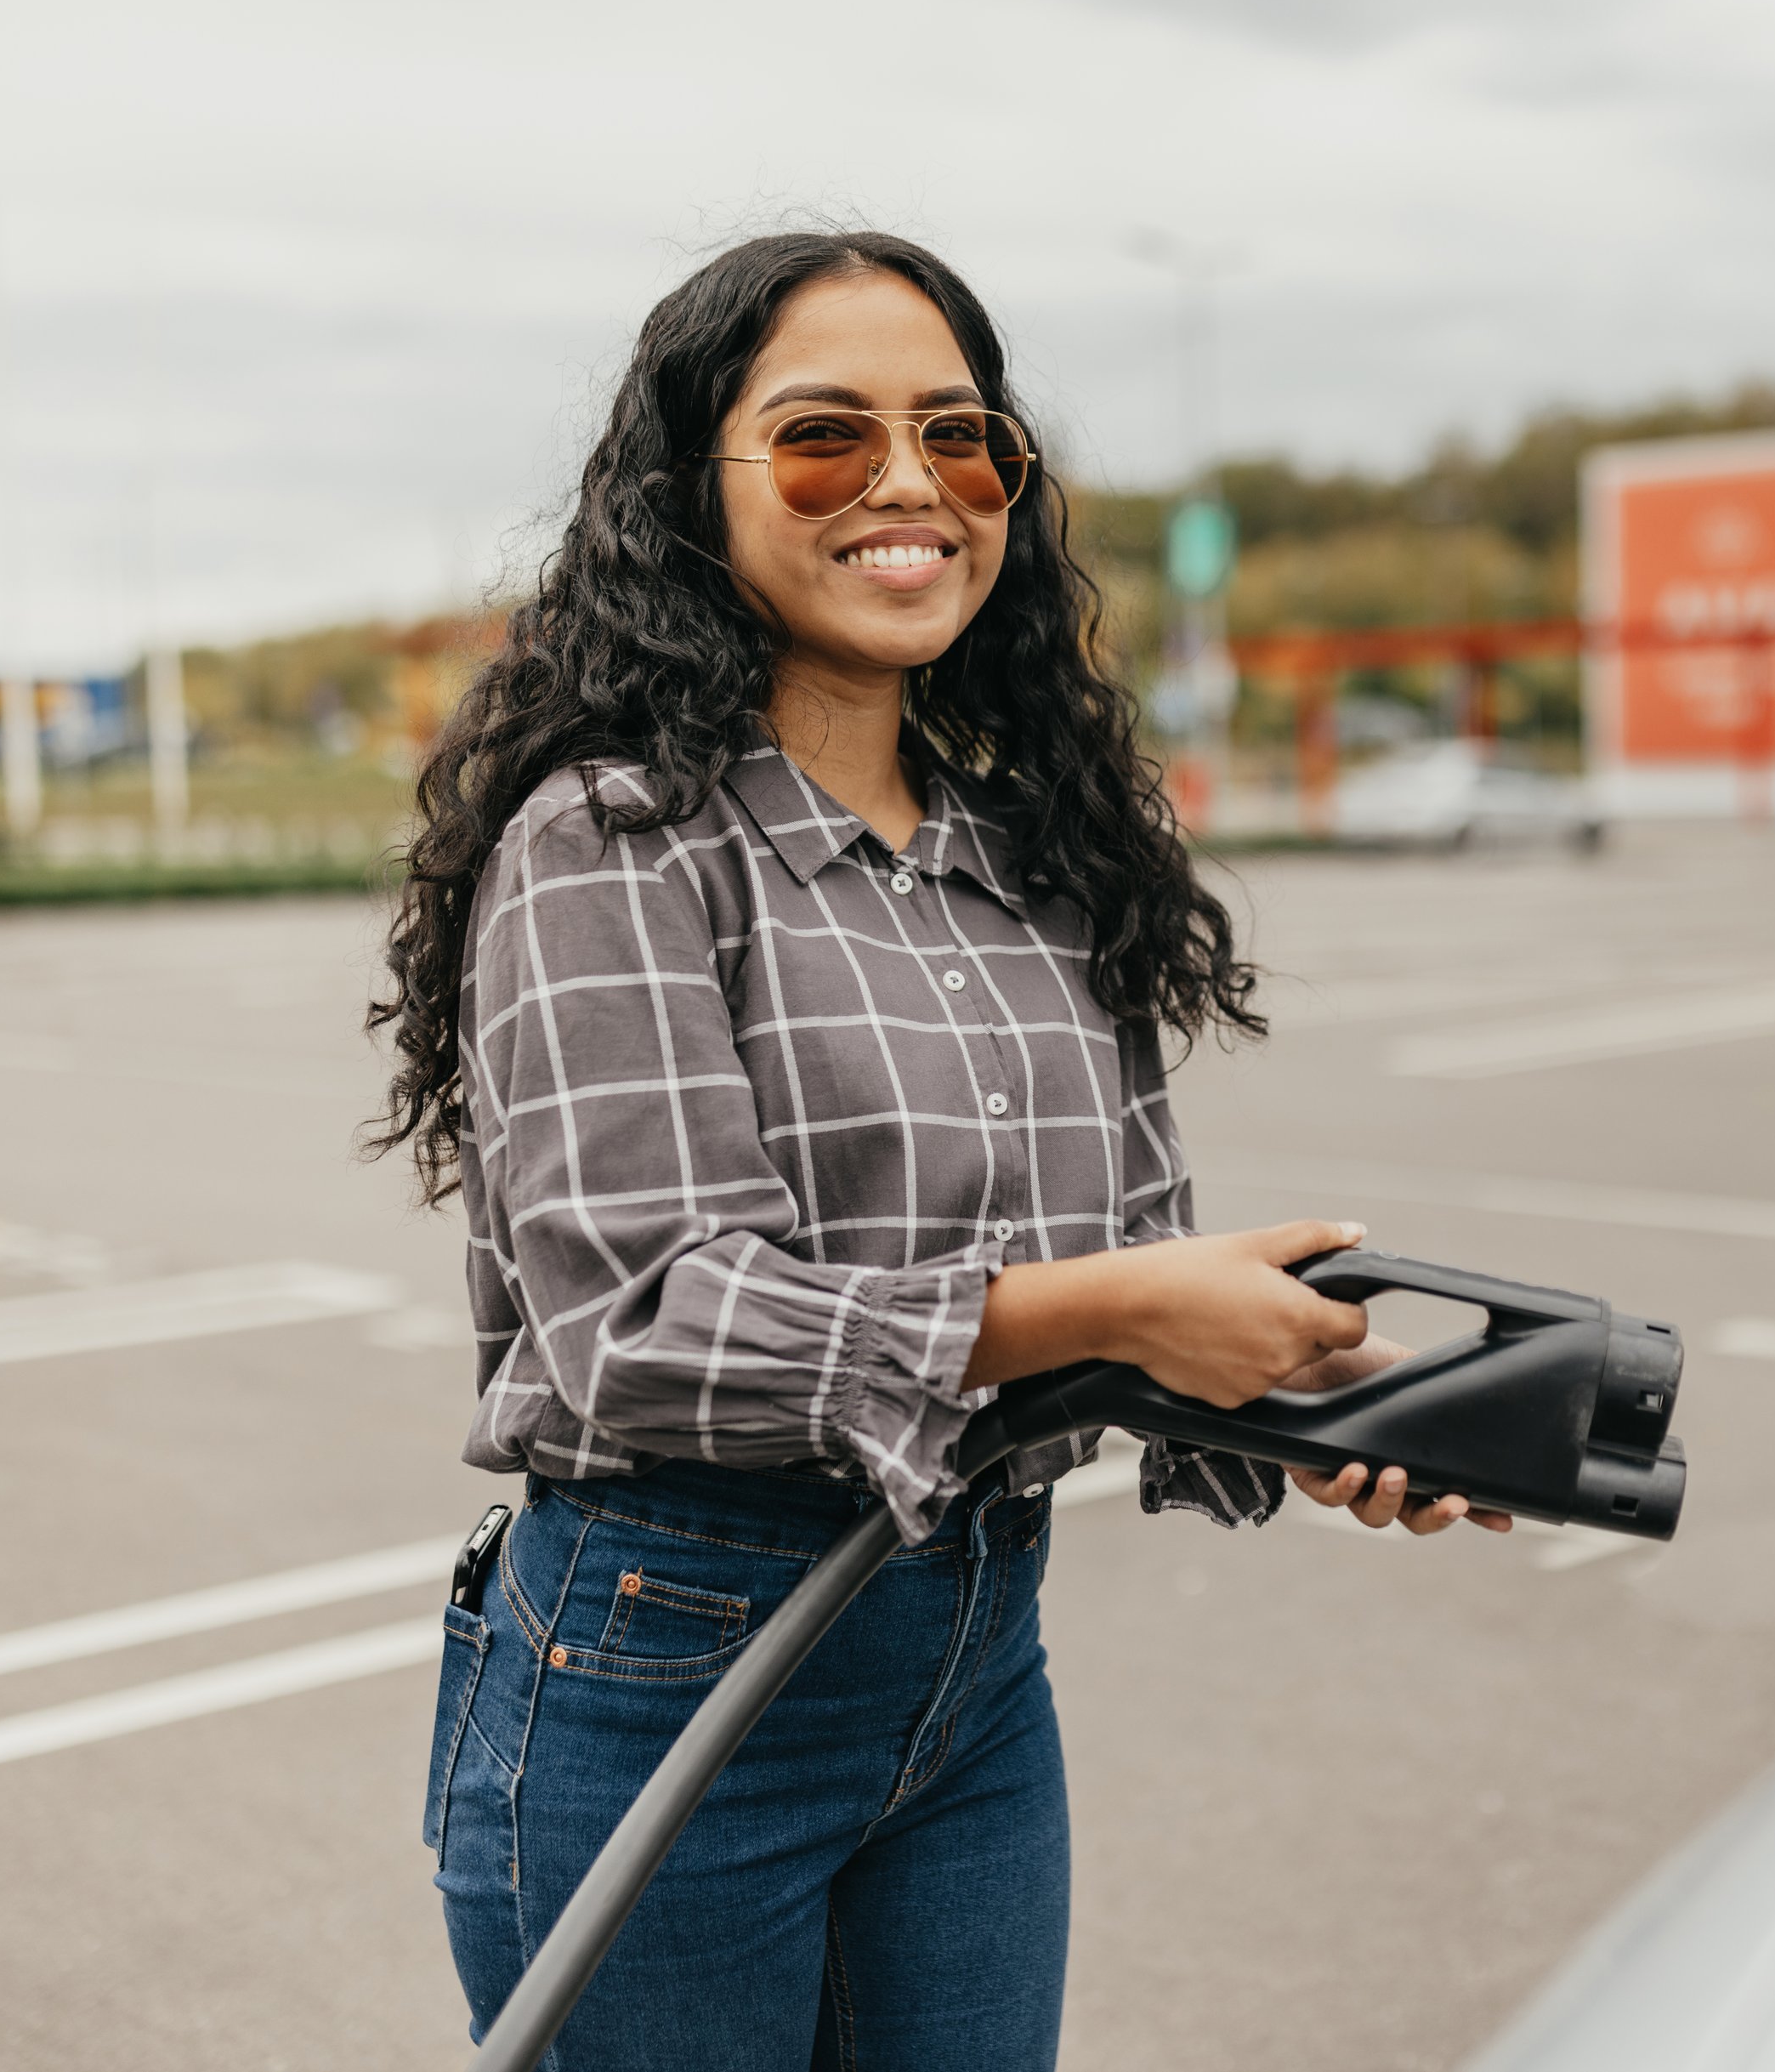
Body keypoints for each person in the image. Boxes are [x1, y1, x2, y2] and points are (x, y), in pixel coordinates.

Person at [369, 229, 1504, 2071]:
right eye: (827, 438)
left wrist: (1328, 1402)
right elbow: (647, 1321)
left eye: (962, 439)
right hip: (671, 1667)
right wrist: (1113, 1307)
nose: (911, 485)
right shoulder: (614, 843)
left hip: (974, 1673)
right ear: (690, 488)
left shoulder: (1042, 860)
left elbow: (1118, 1301)